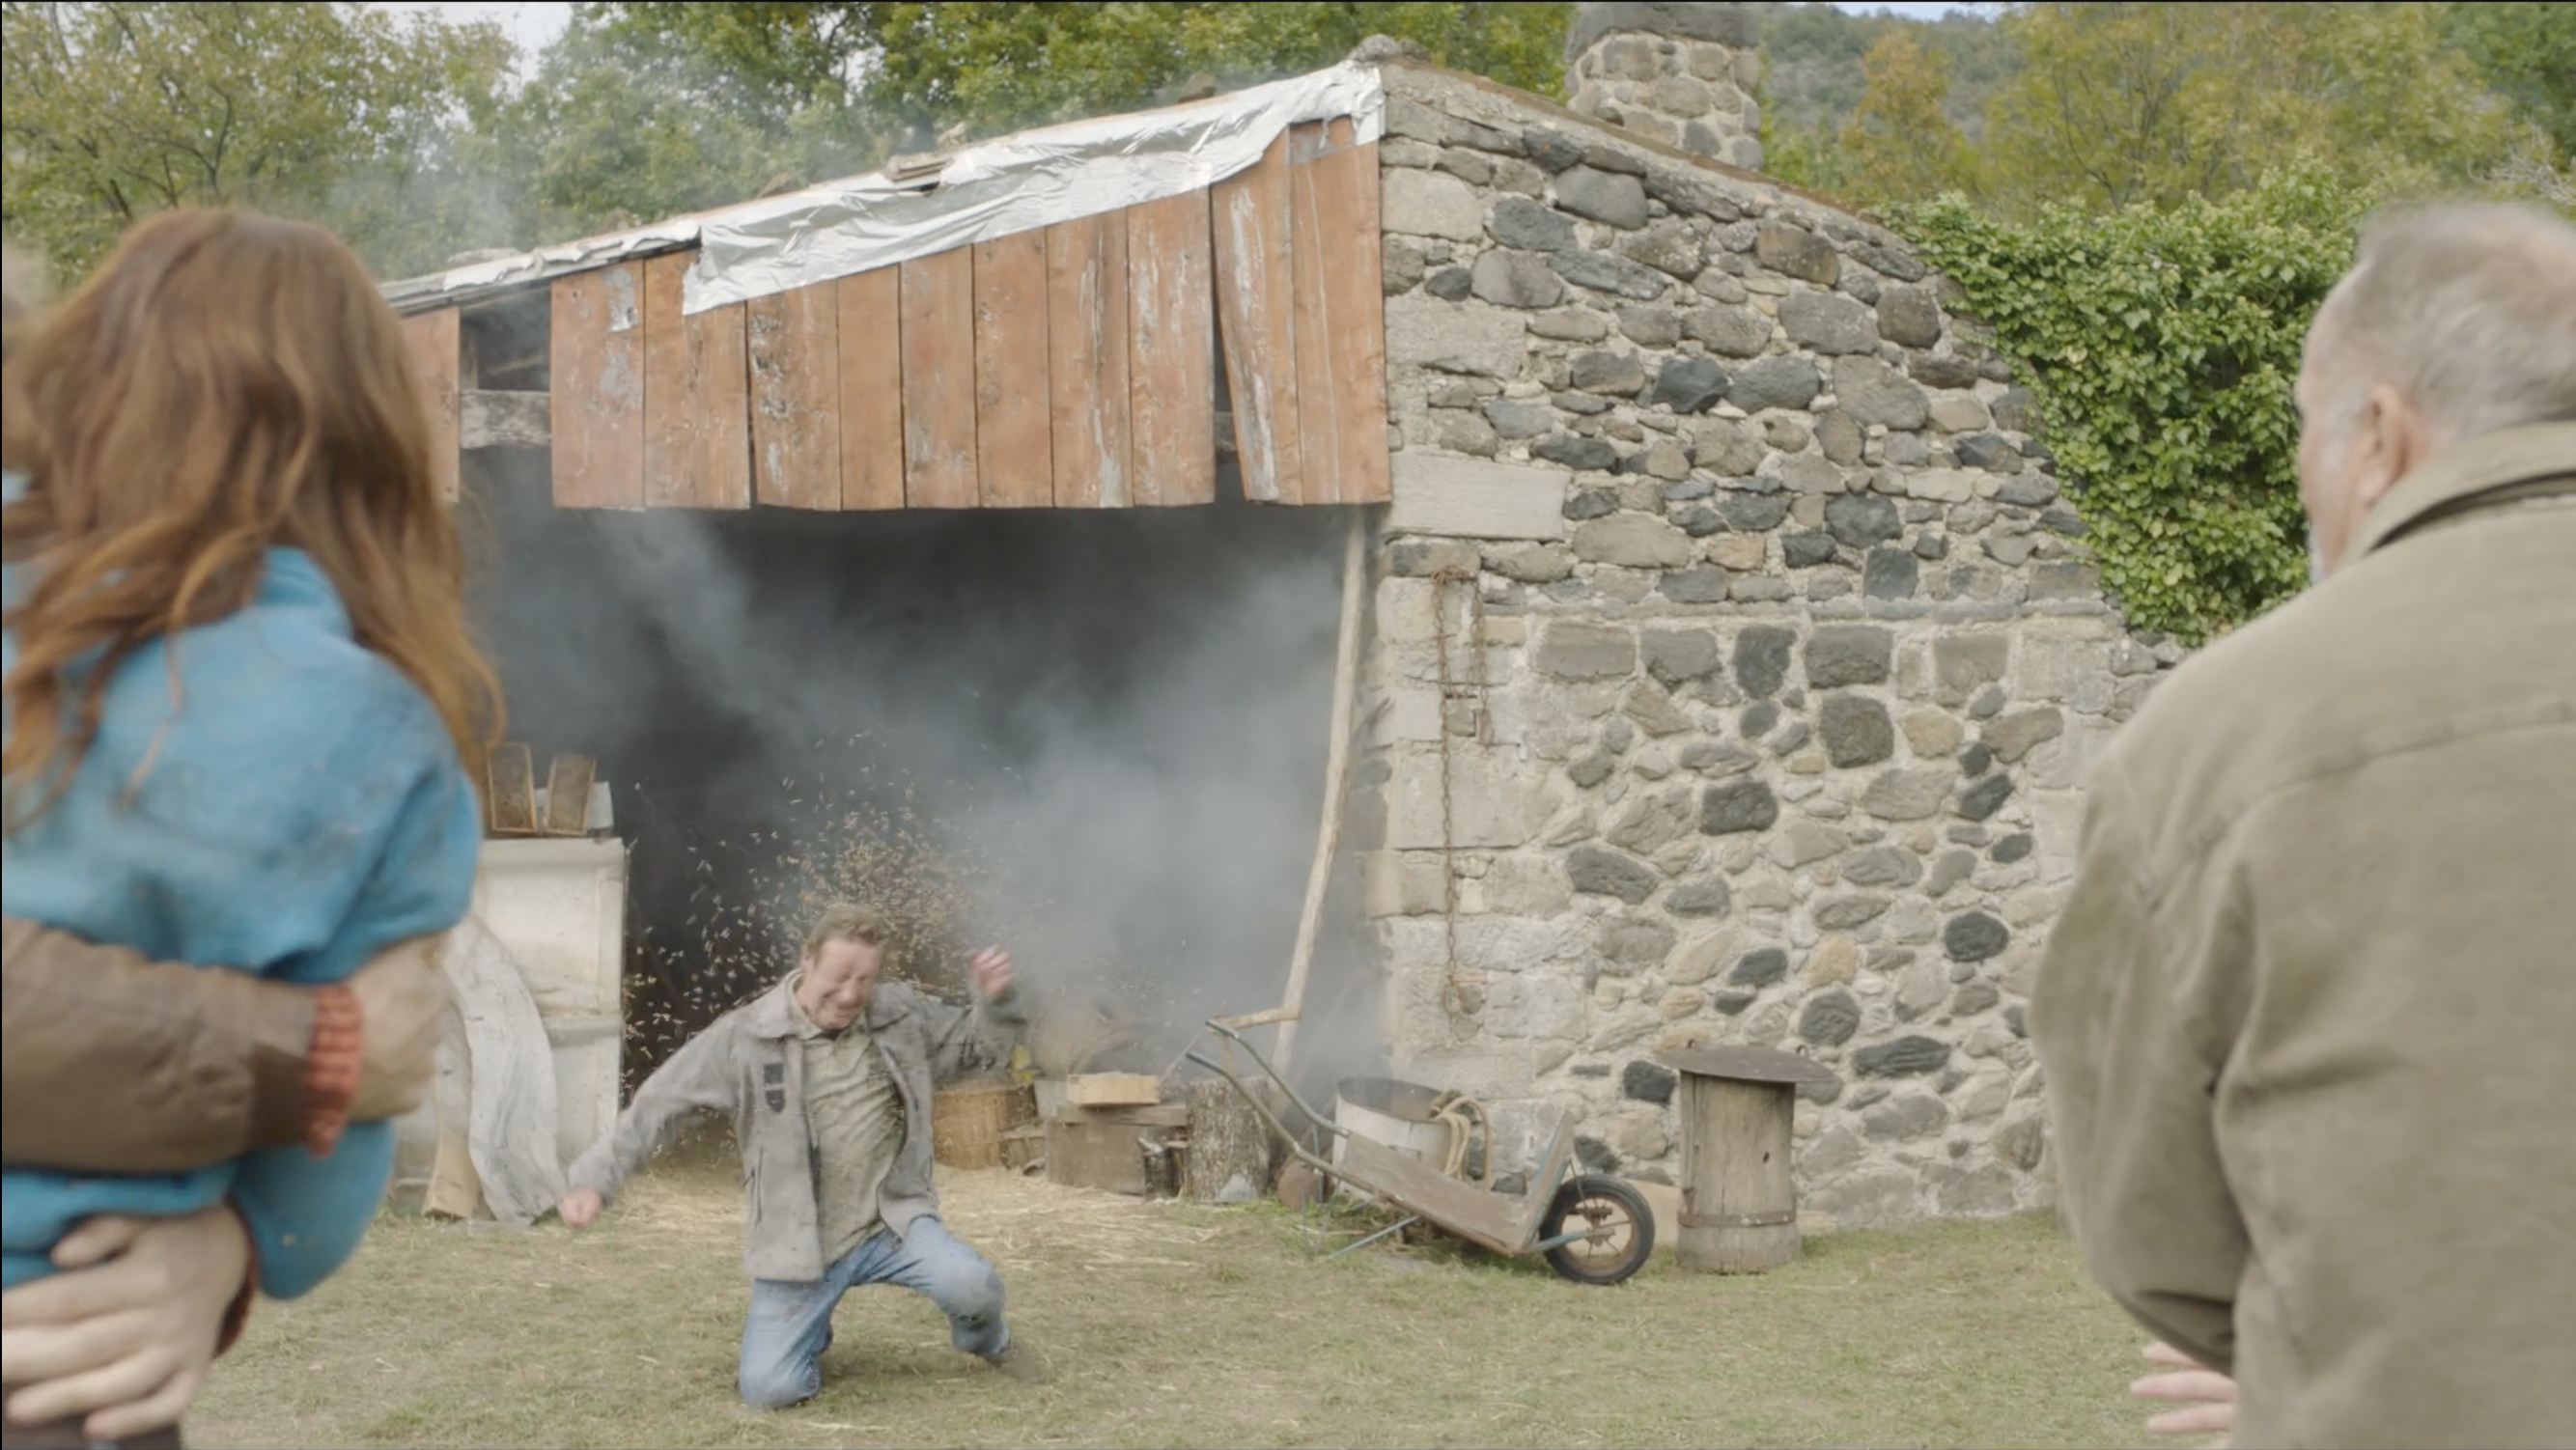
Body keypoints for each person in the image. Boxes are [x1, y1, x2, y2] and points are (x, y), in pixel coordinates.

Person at [2029, 202, 2576, 1448]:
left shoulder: (2215, 741)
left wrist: (2344, 1359)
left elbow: (2152, 1234)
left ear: (2379, 435)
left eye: (2302, 438)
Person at [2, 208, 500, 1447]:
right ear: (369, 442)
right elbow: (361, 1100)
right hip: (81, 1344)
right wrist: (241, 1245)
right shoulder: (387, 733)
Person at [558, 903, 1040, 1408]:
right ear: (805, 959)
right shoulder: (746, 1037)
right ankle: (810, 1332)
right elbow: (658, 1106)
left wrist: (995, 999)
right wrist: (595, 1179)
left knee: (974, 1286)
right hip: (799, 1243)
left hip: (892, 1223)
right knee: (770, 1390)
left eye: (865, 978)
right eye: (838, 977)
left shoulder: (899, 1015)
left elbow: (975, 1049)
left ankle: (990, 1341)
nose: (852, 994)